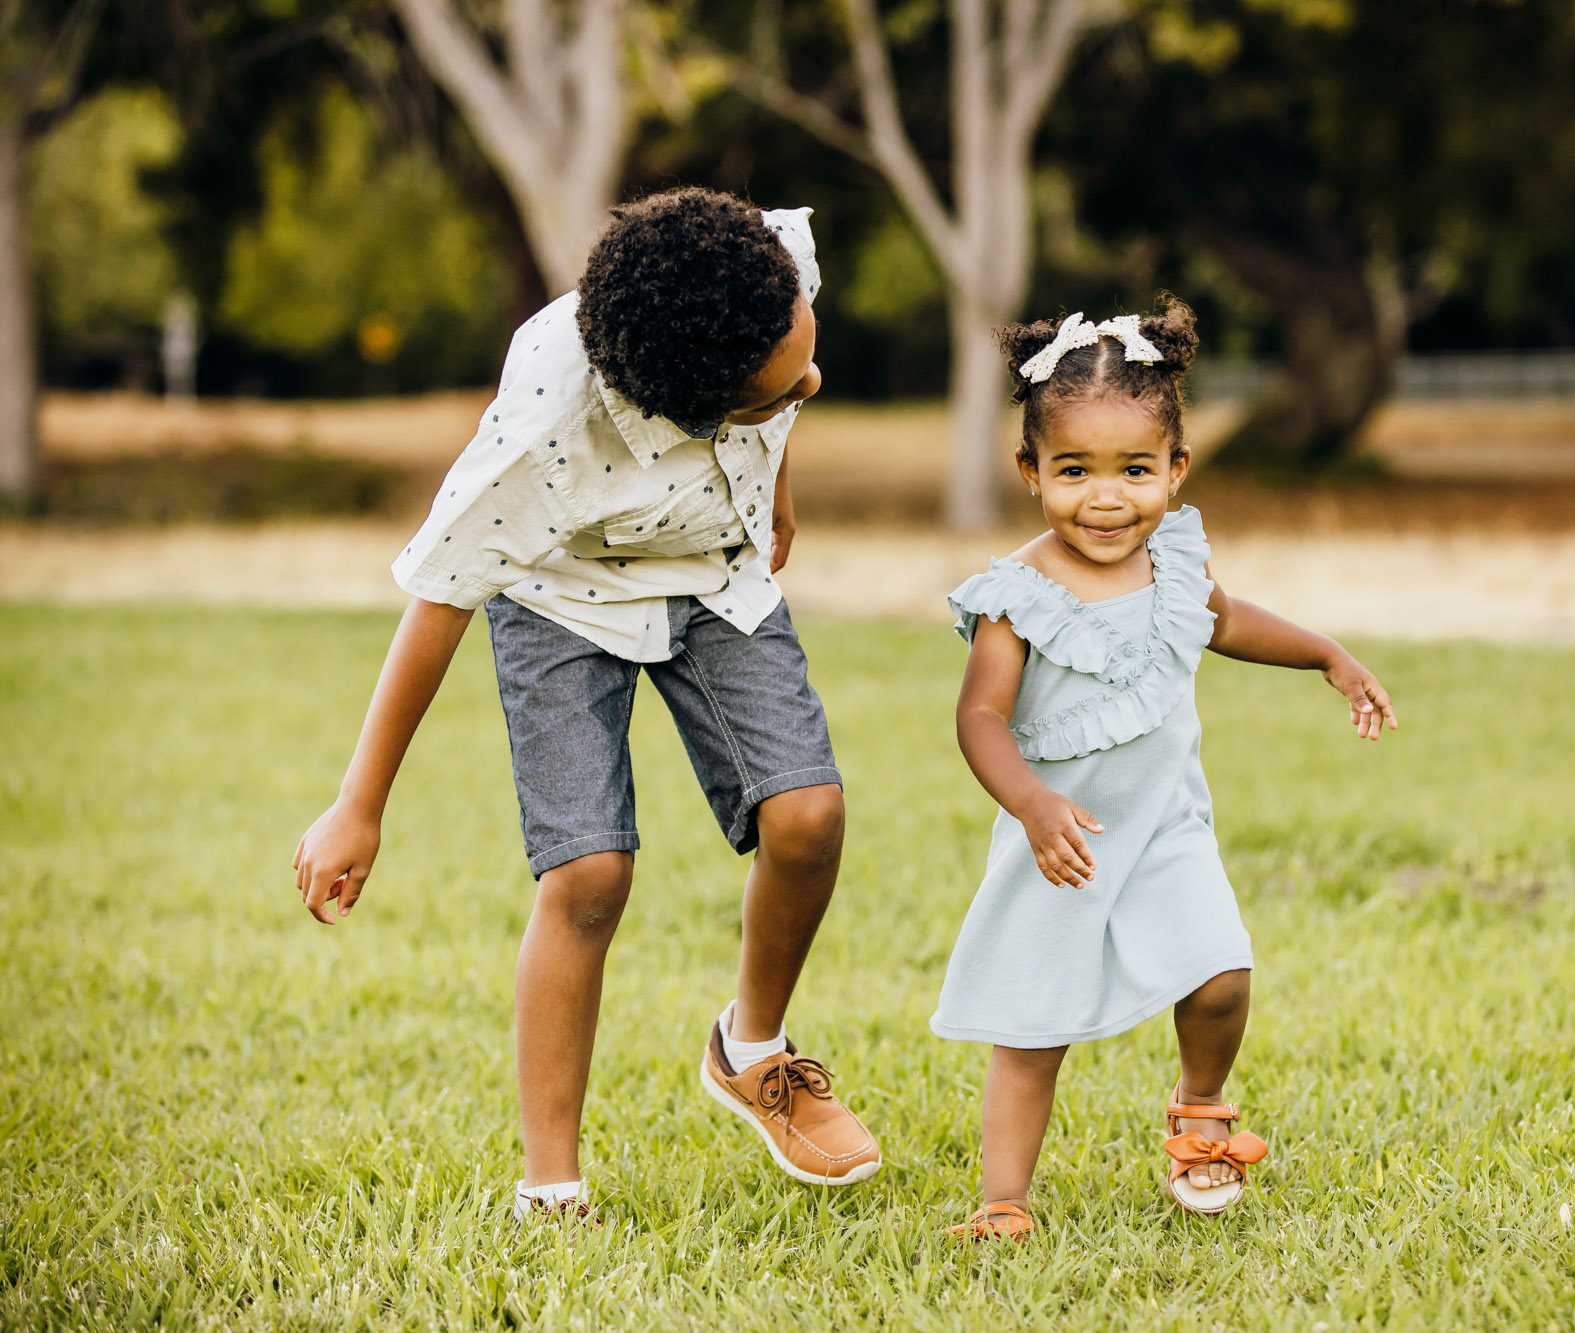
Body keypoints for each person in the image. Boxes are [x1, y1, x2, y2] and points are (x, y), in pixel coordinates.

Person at [290, 187, 880, 1222]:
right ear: (680, 405)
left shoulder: (763, 269)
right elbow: (438, 604)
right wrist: (358, 803)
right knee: (587, 872)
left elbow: (790, 378)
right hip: (559, 593)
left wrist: (773, 487)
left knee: (809, 813)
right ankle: (551, 1186)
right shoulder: (537, 444)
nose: (809, 379)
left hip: (709, 573)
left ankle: (752, 1051)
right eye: (772, 392)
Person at [932, 300, 1397, 1239]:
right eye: (1074, 472)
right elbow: (979, 716)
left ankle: (1199, 1111)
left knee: (1222, 974)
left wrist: (1327, 655)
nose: (1106, 498)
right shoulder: (1015, 594)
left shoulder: (1176, 564)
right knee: (1032, 1031)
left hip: (1165, 827)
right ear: (1030, 472)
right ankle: (1003, 1201)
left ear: (1175, 471)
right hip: (1061, 838)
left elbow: (1230, 622)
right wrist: (1030, 803)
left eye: (1135, 471)